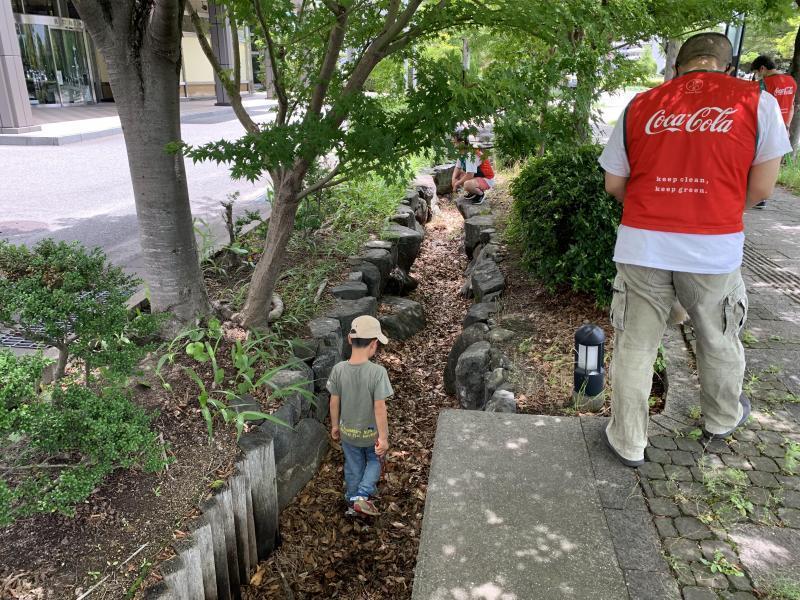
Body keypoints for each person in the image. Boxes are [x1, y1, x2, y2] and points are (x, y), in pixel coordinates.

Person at [599, 32, 791, 467]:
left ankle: (628, 441)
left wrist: (656, 205)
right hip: (713, 246)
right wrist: (710, 205)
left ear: (676, 66)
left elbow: (614, 183)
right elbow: (761, 188)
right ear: (726, 66)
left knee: (636, 346)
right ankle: (721, 419)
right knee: (718, 336)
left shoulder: (640, 104)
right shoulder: (755, 101)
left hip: (642, 242)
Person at [328, 315, 393, 516]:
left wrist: (335, 426)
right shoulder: (377, 372)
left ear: (349, 339)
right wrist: (383, 437)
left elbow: (334, 401)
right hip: (371, 434)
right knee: (374, 461)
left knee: (353, 464)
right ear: (374, 345)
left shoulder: (338, 369)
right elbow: (380, 407)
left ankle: (351, 502)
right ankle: (362, 496)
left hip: (348, 433)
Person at [751, 55, 797, 208]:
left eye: (758, 72)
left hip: (765, 125)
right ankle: (763, 197)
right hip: (782, 124)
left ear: (762, 68)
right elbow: (791, 106)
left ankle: (758, 198)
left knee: (759, 160)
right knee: (773, 161)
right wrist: (787, 126)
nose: (758, 75)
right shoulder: (791, 81)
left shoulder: (764, 83)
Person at [450, 130, 495, 205]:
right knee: (460, 176)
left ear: (462, 143)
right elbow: (457, 167)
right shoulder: (462, 152)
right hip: (478, 176)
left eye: (455, 143)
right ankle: (473, 192)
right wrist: (453, 179)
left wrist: (457, 183)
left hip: (487, 179)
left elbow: (470, 175)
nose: (454, 146)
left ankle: (480, 194)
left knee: (467, 184)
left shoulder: (470, 154)